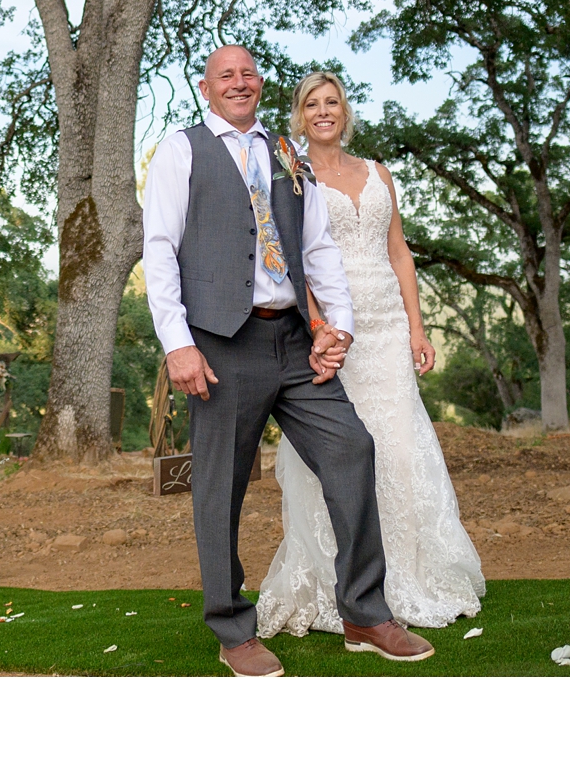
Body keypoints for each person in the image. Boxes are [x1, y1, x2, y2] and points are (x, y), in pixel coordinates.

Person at [141, 44, 434, 677]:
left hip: (295, 341)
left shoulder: (284, 152)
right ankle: (232, 627)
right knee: (221, 486)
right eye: (226, 75)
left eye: (248, 73)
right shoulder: (181, 149)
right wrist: (177, 343)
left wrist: (342, 327)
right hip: (220, 343)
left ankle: (362, 611)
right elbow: (159, 250)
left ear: (260, 83)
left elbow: (318, 245)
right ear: (206, 87)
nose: (238, 83)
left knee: (352, 448)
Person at [257, 71, 485, 635]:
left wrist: (418, 328)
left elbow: (400, 252)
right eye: (313, 104)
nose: (324, 111)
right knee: (343, 455)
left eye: (333, 101)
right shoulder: (293, 176)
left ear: (345, 111)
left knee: (400, 452)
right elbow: (292, 258)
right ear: (299, 115)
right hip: (335, 330)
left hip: (388, 332)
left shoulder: (378, 173)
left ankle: (407, 576)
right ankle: (344, 585)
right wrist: (317, 324)